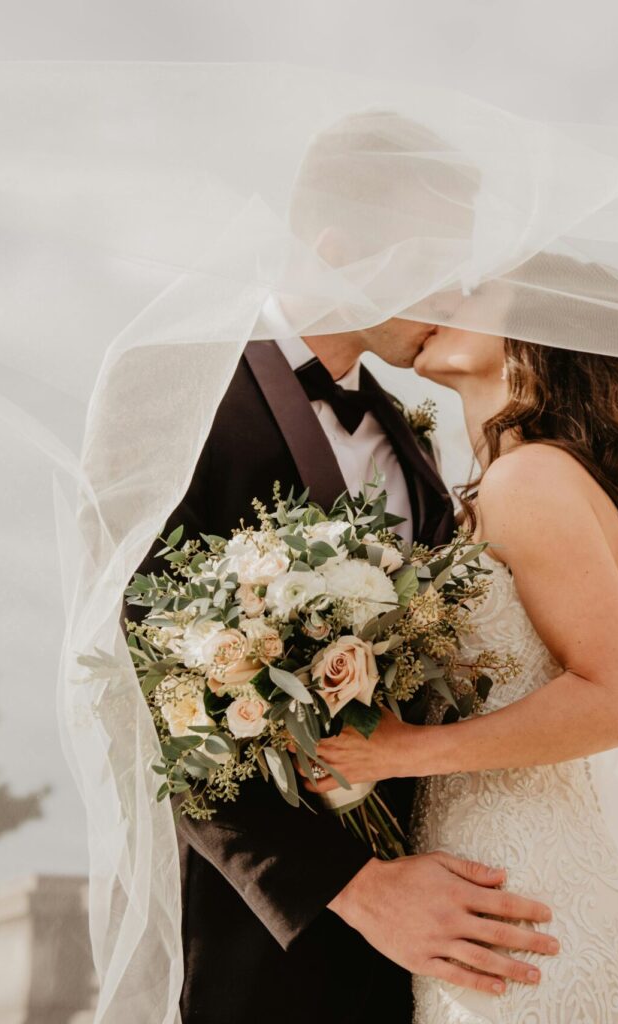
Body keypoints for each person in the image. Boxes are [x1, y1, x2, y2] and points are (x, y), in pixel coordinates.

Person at [135, 110, 559, 1024]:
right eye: (434, 262)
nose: (452, 294)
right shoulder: (168, 389)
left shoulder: (411, 445)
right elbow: (146, 684)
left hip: (443, 933)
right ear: (336, 248)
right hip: (269, 942)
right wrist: (357, 888)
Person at [310, 327, 618, 1022]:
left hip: (528, 892)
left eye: (473, 290)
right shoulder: (505, 480)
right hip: (484, 884)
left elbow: (617, 704)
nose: (440, 299)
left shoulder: (532, 476)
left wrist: (398, 751)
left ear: (532, 334)